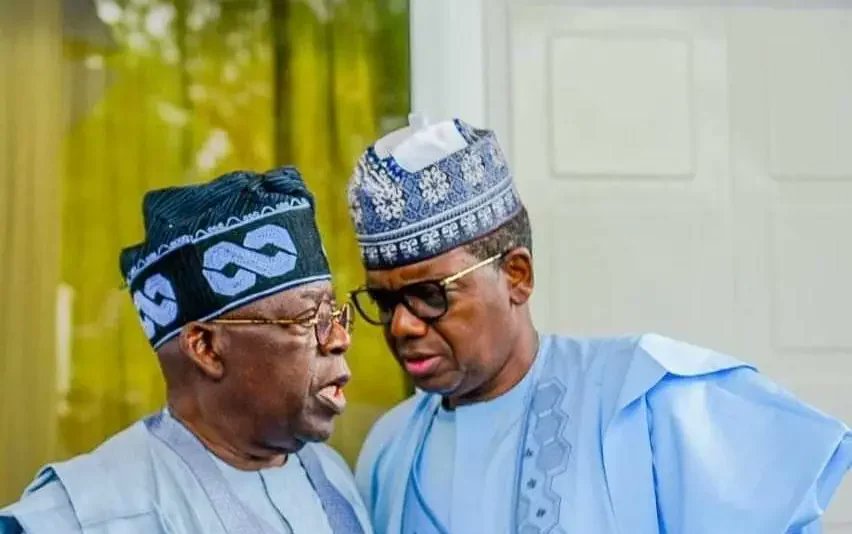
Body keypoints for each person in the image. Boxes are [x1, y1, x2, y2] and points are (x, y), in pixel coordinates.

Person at [346, 118, 852, 534]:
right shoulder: (391, 448)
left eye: (430, 295)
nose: (402, 326)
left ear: (516, 276)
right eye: (385, 302)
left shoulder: (648, 401)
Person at [0, 167, 371, 534]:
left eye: (333, 314)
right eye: (310, 318)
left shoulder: (331, 474)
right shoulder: (92, 514)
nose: (339, 338)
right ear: (206, 348)